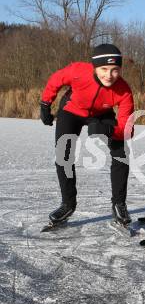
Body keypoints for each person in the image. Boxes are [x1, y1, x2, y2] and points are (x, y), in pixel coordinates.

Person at [40, 44, 134, 226]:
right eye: (104, 69)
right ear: (95, 67)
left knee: (121, 153)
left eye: (115, 70)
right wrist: (45, 104)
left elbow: (127, 129)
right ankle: (68, 203)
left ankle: (119, 204)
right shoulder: (78, 71)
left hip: (101, 115)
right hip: (71, 110)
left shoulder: (124, 90)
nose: (109, 75)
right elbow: (55, 80)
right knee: (63, 155)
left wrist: (109, 130)